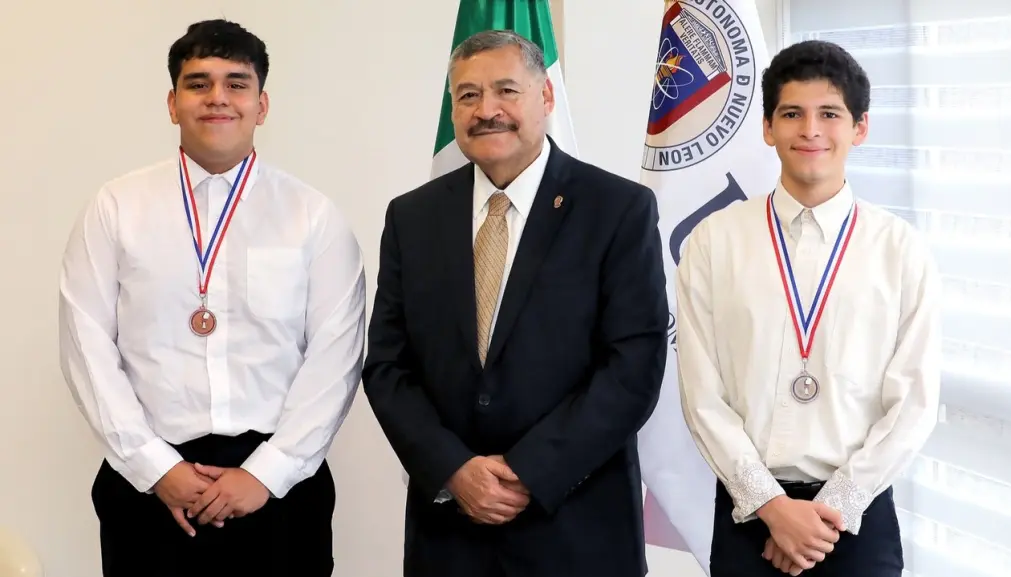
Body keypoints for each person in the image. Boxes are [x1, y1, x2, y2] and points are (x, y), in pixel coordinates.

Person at [57, 19, 365, 577]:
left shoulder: (312, 215)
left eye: (236, 83)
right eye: (198, 83)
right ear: (172, 103)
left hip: (278, 489)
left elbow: (336, 358)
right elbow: (85, 345)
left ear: (262, 104)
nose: (217, 97)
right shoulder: (115, 207)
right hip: (149, 487)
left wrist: (267, 472)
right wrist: (155, 467)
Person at [362, 29, 668, 577]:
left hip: (577, 529)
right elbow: (388, 366)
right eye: (468, 96)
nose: (488, 111)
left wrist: (527, 471)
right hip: (450, 535)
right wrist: (454, 469)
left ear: (545, 97)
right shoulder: (412, 217)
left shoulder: (617, 209)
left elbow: (633, 368)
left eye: (507, 90)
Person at [675, 39, 941, 577]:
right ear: (768, 128)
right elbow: (702, 395)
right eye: (792, 113)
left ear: (859, 128)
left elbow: (914, 403)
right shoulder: (713, 241)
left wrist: (830, 512)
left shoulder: (900, 248)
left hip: (857, 518)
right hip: (748, 515)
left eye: (830, 114)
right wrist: (774, 510)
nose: (811, 130)